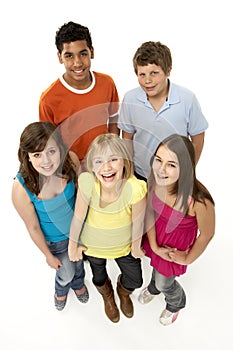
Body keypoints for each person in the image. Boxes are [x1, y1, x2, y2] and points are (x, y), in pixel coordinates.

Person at [68, 133, 147, 323]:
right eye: (99, 161)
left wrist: (136, 246)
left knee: (136, 280)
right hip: (93, 246)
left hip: (124, 247)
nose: (107, 167)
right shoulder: (88, 184)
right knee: (98, 276)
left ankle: (123, 291)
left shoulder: (135, 188)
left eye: (113, 159)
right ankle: (107, 295)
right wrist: (72, 246)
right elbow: (78, 218)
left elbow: (138, 222)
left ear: (124, 162)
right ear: (92, 167)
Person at [138, 134, 215, 326]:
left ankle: (175, 302)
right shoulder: (154, 179)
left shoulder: (199, 201)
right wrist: (154, 246)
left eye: (171, 164)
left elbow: (207, 234)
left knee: (166, 281)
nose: (161, 169)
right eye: (158, 160)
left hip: (174, 250)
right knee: (156, 267)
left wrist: (187, 258)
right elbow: (149, 211)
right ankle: (154, 287)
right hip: (156, 237)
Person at [11, 122, 89, 311]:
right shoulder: (21, 189)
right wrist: (47, 255)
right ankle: (60, 290)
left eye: (51, 151)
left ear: (60, 149)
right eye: (37, 155)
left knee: (79, 264)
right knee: (66, 272)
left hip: (79, 230)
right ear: (27, 157)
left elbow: (81, 194)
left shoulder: (70, 161)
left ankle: (78, 284)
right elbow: (33, 227)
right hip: (56, 241)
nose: (46, 161)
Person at [118, 41, 208, 181]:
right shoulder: (130, 99)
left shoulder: (187, 99)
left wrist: (187, 172)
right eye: (142, 75)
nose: (147, 80)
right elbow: (127, 139)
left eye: (154, 73)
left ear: (168, 71)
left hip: (174, 177)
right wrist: (128, 174)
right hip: (140, 174)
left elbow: (197, 139)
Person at [39, 21, 120, 166]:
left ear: (92, 52)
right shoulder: (49, 99)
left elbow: (114, 118)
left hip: (104, 164)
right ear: (60, 57)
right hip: (70, 168)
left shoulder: (107, 83)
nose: (77, 63)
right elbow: (48, 143)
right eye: (69, 56)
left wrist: (111, 150)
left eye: (83, 54)